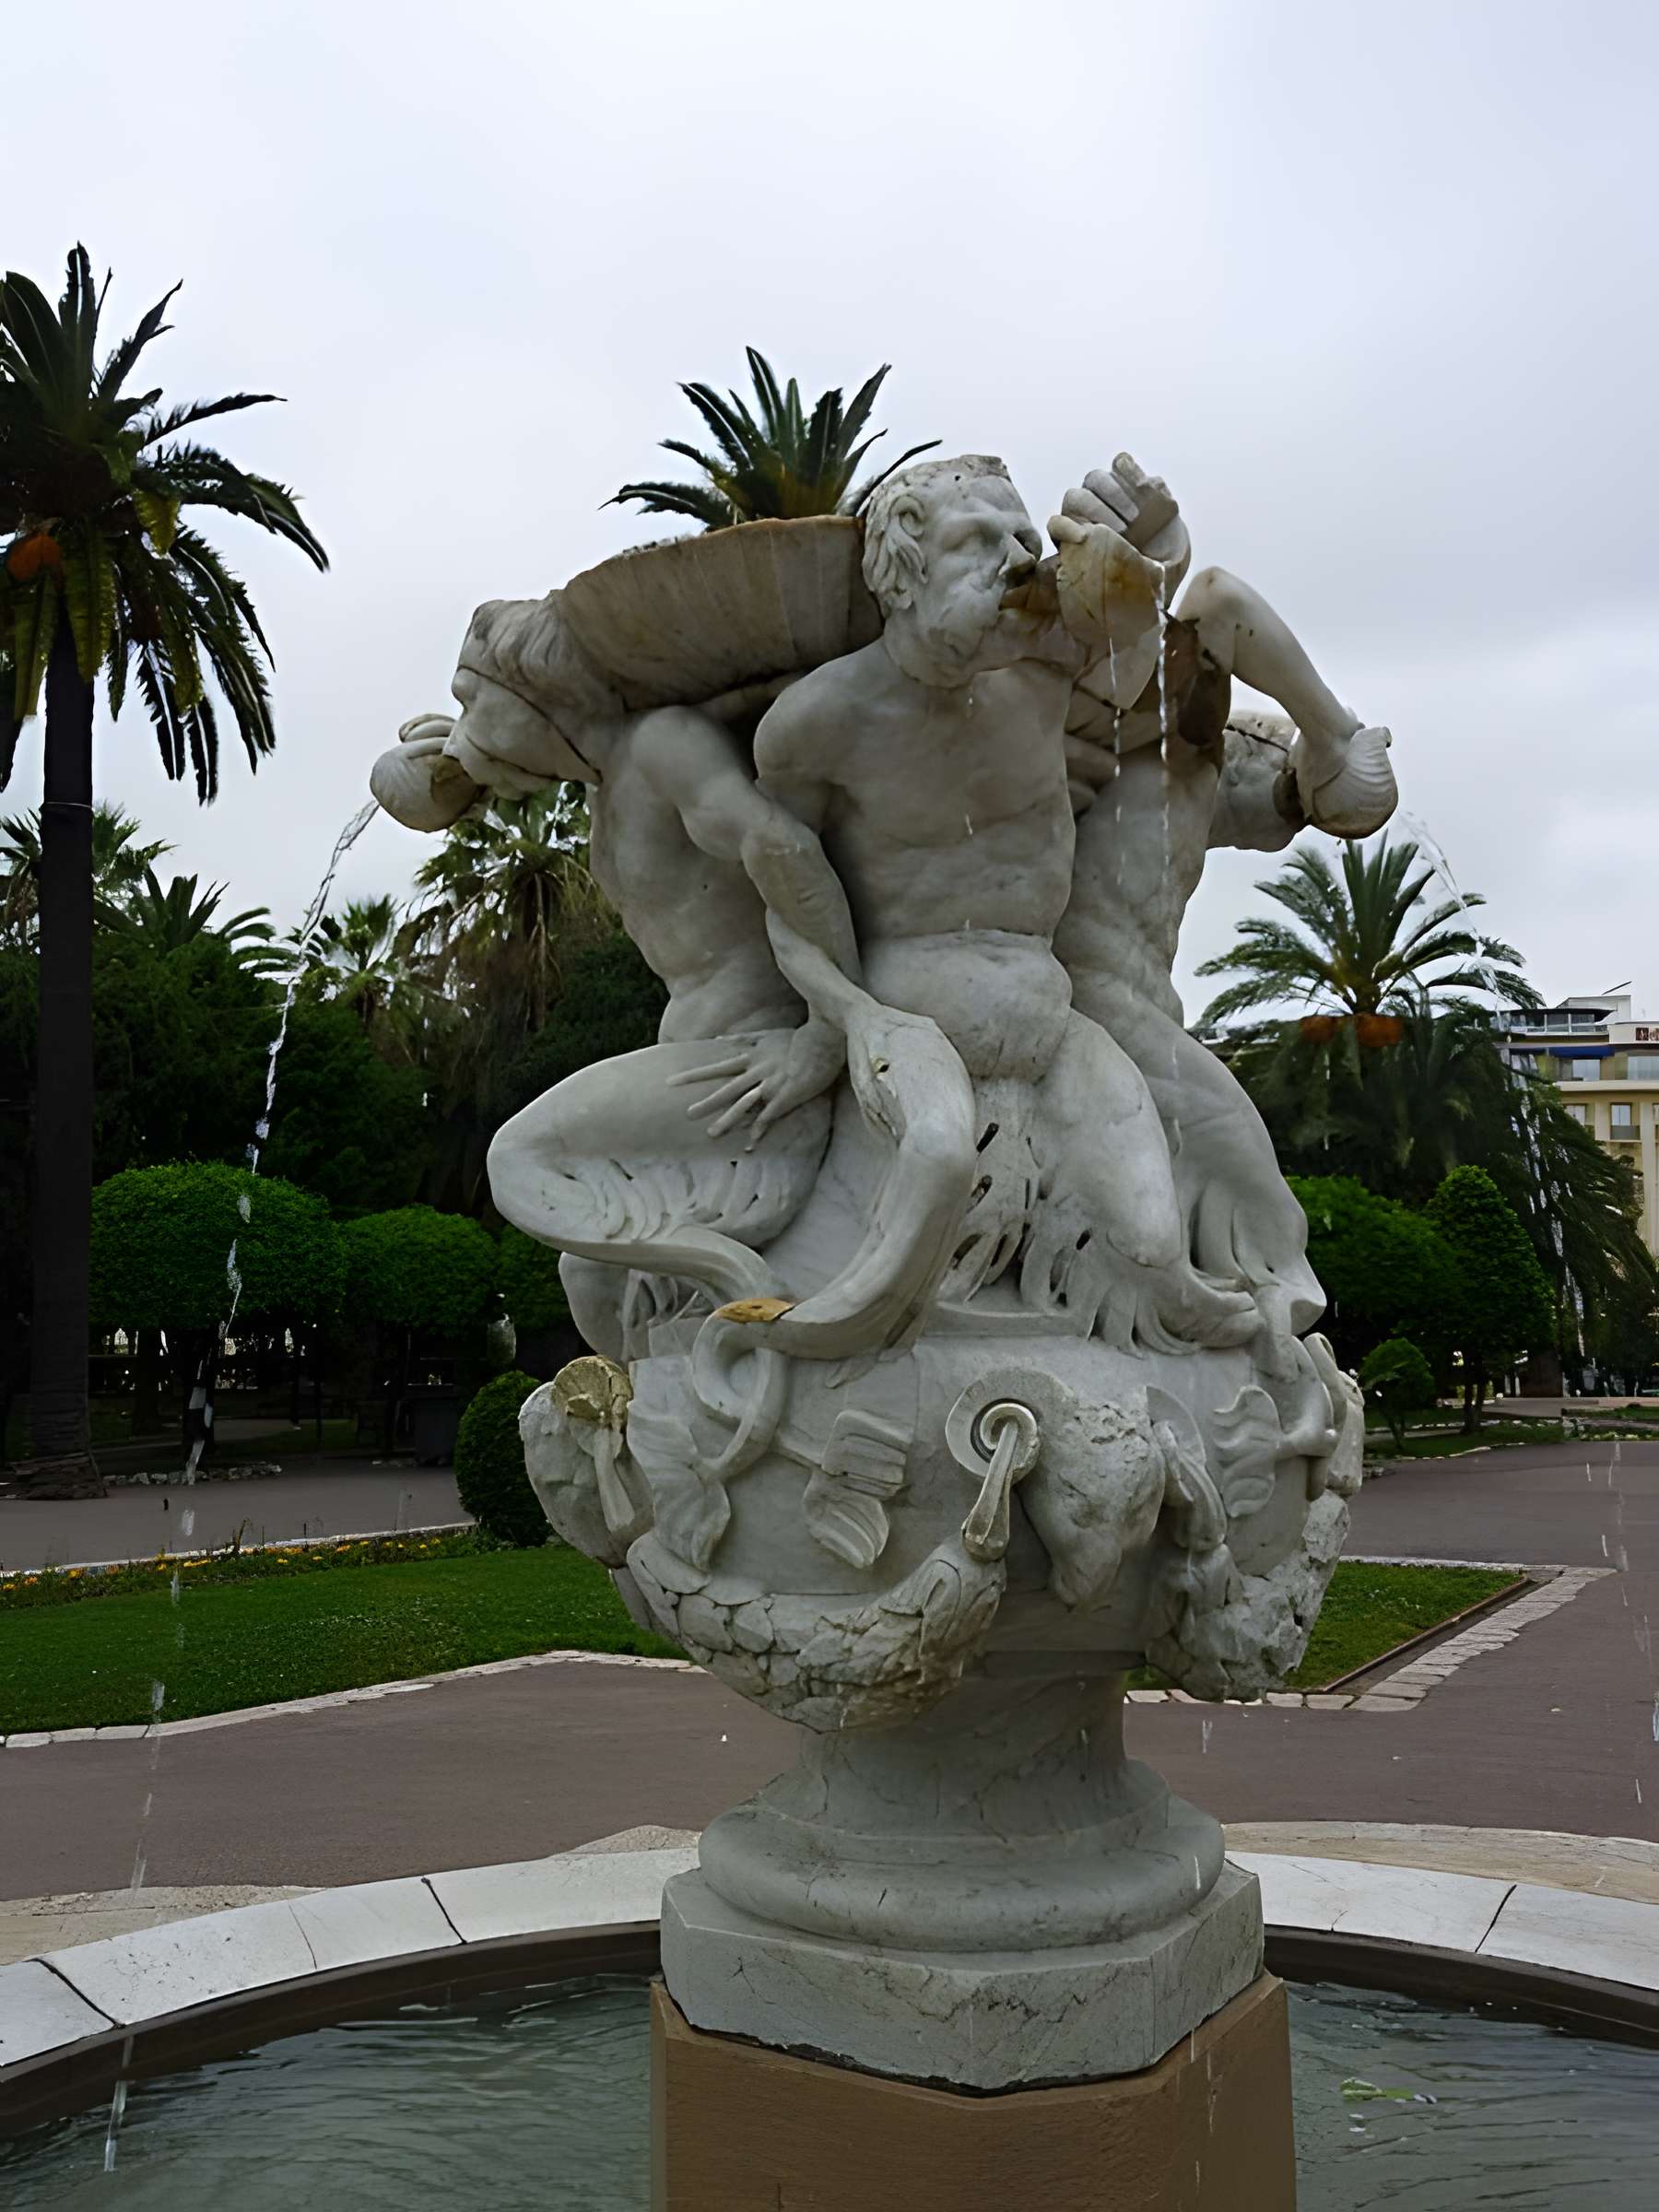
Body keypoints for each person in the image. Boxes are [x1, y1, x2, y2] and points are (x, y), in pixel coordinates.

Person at [741, 453, 1260, 1355]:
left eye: (1023, 541)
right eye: (979, 544)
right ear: (900, 571)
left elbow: (1139, 637)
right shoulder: (816, 723)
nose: (1018, 564)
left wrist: (1152, 543)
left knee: (1150, 1245)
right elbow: (786, 893)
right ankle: (785, 1342)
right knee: (929, 1176)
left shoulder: (1047, 663)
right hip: (917, 1024)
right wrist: (844, 1021)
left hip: (1051, 1024)